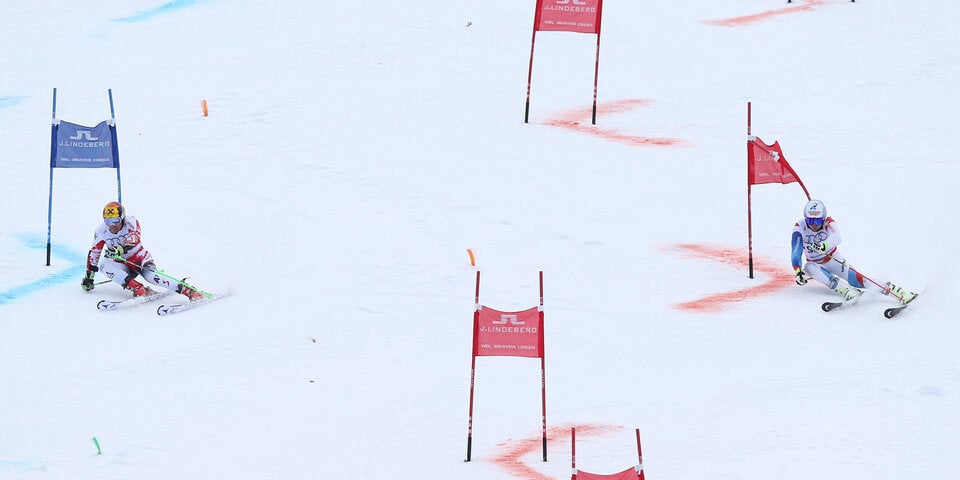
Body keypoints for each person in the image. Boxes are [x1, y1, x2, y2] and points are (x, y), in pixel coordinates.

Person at [791, 199, 916, 304]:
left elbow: (837, 237)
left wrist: (824, 245)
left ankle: (897, 292)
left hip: (833, 258)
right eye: (810, 221)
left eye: (817, 221)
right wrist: (798, 270)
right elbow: (796, 251)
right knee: (808, 267)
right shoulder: (800, 226)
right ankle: (846, 290)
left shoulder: (828, 222)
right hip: (816, 264)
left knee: (856, 280)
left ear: (823, 218)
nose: (814, 225)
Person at [81, 201, 203, 301]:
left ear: (122, 218)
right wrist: (89, 277)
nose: (112, 225)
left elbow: (135, 237)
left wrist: (121, 248)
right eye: (108, 221)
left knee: (151, 277)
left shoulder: (131, 221)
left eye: (116, 221)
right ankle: (139, 289)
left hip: (139, 259)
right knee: (103, 264)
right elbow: (94, 253)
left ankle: (188, 291)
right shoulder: (101, 230)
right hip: (123, 265)